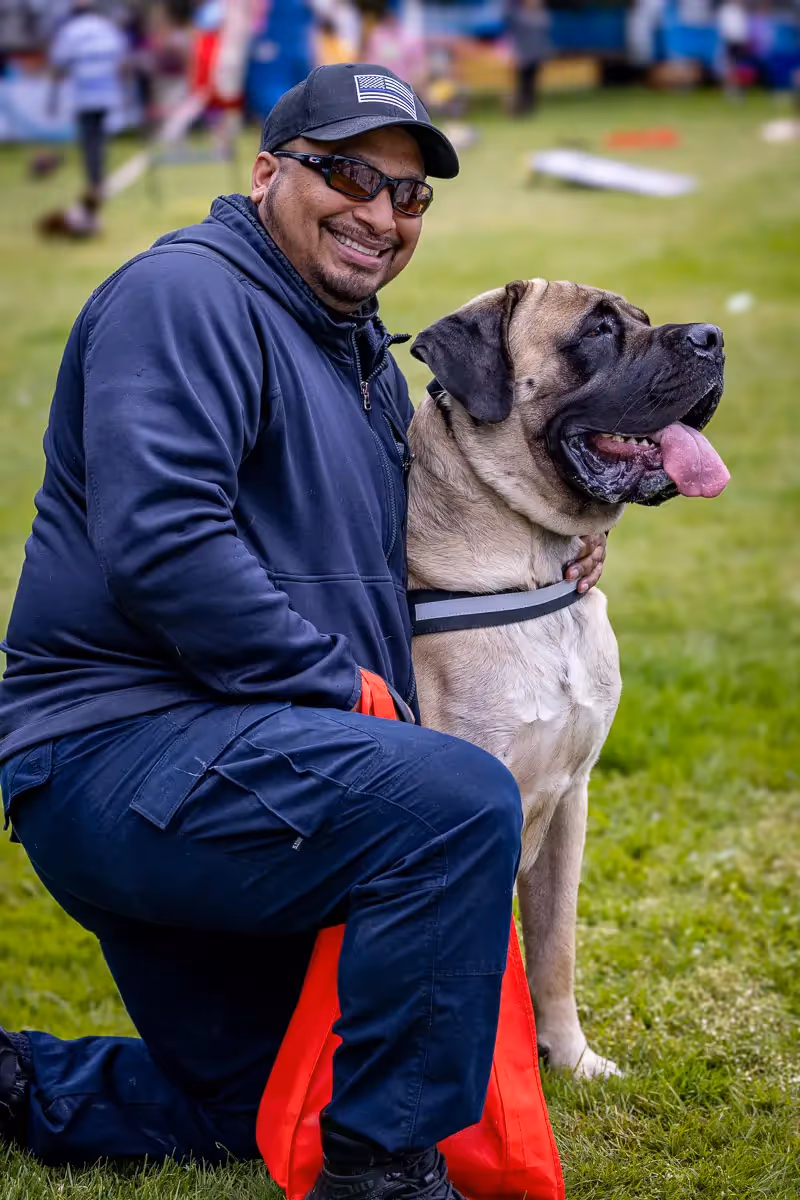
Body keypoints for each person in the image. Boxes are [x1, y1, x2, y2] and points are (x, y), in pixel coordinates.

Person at [0, 63, 606, 1198]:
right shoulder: (185, 296)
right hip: (117, 749)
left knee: (266, 1098)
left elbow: (407, 534)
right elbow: (165, 545)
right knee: (451, 802)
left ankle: (20, 1082)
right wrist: (340, 687)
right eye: (348, 177)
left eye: (409, 195)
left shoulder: (351, 347)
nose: (381, 214)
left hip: (235, 752)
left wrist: (558, 540)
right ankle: (382, 1177)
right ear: (266, 172)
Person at [48, 0, 128, 233]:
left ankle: (94, 183)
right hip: (107, 92)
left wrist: (53, 97)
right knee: (99, 138)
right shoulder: (107, 28)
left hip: (84, 94)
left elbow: (59, 62)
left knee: (88, 139)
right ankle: (98, 178)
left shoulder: (70, 31)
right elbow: (121, 60)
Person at [504, 0, 552, 116]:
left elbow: (545, 36)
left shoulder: (543, 15)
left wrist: (546, 53)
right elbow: (507, 18)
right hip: (523, 54)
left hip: (537, 53)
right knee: (522, 82)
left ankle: (530, 106)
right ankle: (519, 107)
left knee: (532, 82)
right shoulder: (517, 15)